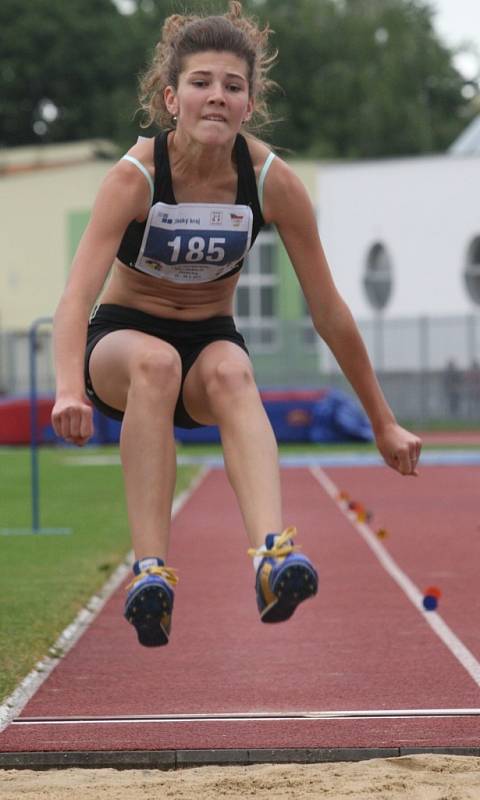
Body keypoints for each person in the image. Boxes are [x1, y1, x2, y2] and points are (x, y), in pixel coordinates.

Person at [51, 2, 422, 647]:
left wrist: (382, 419)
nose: (216, 97)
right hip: (121, 342)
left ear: (250, 104)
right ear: (172, 98)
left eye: (233, 86)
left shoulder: (272, 183)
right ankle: (151, 572)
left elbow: (330, 311)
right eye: (201, 83)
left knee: (232, 369)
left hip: (209, 341)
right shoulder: (135, 178)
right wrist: (66, 388)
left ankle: (273, 559)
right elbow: (75, 296)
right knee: (155, 363)